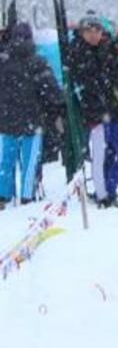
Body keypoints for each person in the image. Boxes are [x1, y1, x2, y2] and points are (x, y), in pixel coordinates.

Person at [64, 14, 118, 207]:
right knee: (100, 155)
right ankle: (102, 195)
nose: (94, 35)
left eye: (97, 31)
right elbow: (85, 83)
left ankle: (109, 189)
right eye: (89, 31)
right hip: (96, 113)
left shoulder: (109, 48)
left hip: (115, 110)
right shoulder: (77, 51)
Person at [0, 23, 63, 209]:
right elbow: (51, 90)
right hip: (32, 121)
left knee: (6, 161)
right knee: (29, 163)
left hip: (6, 121)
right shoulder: (38, 62)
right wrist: (59, 107)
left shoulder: (3, 62)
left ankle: (3, 195)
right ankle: (27, 196)